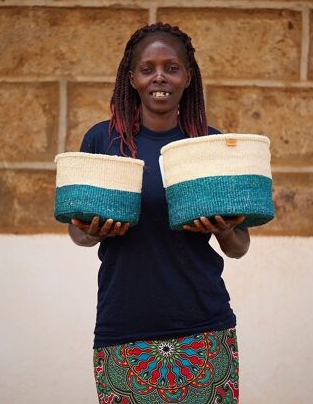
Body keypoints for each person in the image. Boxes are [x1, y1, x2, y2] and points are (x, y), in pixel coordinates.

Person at [68, 22, 250, 404]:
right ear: (131, 78)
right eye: (147, 68)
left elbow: (238, 246)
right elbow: (78, 232)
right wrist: (94, 231)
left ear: (187, 76)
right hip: (124, 323)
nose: (159, 77)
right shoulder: (103, 141)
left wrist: (225, 229)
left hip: (203, 323)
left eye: (171, 67)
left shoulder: (208, 145)